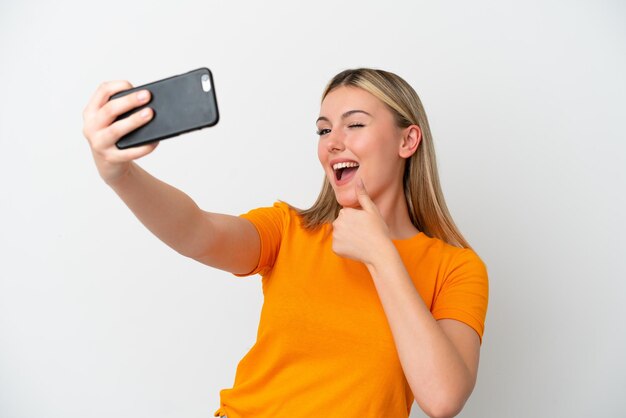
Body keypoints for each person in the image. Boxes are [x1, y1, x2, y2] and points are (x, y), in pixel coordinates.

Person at [82, 68, 488, 418]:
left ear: (408, 141)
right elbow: (197, 232)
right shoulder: (290, 230)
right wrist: (121, 176)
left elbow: (443, 398)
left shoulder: (456, 268)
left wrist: (383, 256)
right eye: (324, 129)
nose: (332, 141)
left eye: (355, 124)